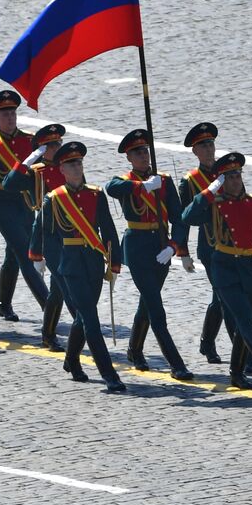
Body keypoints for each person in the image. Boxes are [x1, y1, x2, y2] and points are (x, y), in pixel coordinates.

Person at [181, 152, 252, 388]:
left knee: (248, 321)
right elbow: (187, 216)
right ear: (221, 181)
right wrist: (208, 192)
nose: (236, 180)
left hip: (250, 268)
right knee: (243, 319)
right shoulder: (214, 205)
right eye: (229, 176)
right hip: (224, 267)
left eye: (238, 174)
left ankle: (236, 373)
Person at [32, 141, 125, 391]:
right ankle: (109, 375)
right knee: (91, 320)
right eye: (71, 163)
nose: (76, 167)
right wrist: (48, 260)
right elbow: (43, 232)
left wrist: (114, 261)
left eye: (79, 162)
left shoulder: (95, 194)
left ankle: (72, 359)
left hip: (93, 262)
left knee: (84, 316)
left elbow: (107, 228)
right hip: (70, 265)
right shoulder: (55, 199)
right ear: (61, 169)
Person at [106, 129, 194, 378]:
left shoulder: (164, 181)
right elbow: (111, 187)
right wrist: (141, 186)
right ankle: (176, 364)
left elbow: (179, 218)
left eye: (145, 150)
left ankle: (134, 349)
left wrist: (174, 245)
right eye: (137, 152)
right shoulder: (126, 182)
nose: (143, 156)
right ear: (129, 158)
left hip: (160, 247)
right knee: (156, 307)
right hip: (137, 248)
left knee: (148, 300)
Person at [0, 90, 49, 322]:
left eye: (13, 113)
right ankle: (49, 308)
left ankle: (3, 303)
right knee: (26, 254)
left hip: (27, 202)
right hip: (2, 203)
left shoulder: (30, 140)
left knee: (13, 254)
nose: (10, 118)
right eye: (5, 114)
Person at [6, 123, 72, 350]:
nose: (57, 147)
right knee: (65, 286)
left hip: (73, 234)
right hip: (51, 237)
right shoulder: (36, 172)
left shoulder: (68, 167)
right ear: (42, 149)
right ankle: (82, 332)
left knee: (58, 289)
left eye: (58, 143)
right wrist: (29, 160)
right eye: (50, 145)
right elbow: (9, 184)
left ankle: (49, 334)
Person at [176, 122, 228, 364]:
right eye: (202, 145)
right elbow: (183, 219)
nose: (208, 149)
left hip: (234, 244)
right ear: (195, 151)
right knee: (225, 295)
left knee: (223, 296)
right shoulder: (191, 181)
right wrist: (183, 251)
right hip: (210, 245)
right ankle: (246, 356)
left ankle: (207, 343)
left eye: (210, 143)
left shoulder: (227, 173)